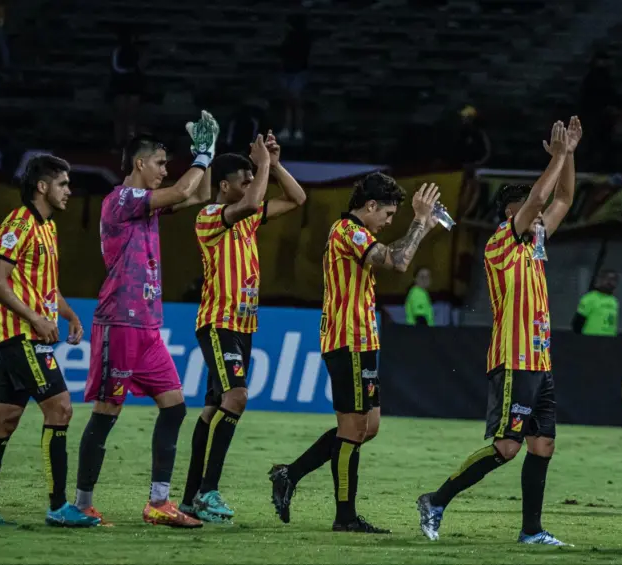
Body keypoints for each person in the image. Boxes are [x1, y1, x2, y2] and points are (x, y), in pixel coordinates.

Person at [416, 118, 582, 545]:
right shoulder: (500, 243)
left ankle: (531, 531)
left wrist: (571, 154)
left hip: (540, 362)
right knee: (508, 447)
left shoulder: (535, 243)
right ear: (514, 213)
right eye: (533, 211)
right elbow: (545, 195)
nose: (542, 215)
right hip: (514, 359)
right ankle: (435, 500)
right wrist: (557, 156)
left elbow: (564, 196)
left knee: (542, 445)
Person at [269, 173, 444, 533]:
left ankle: (290, 473)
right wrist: (418, 220)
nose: (388, 222)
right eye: (388, 214)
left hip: (363, 342)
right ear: (370, 206)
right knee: (352, 428)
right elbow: (398, 261)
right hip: (345, 340)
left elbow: (398, 254)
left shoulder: (360, 235)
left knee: (369, 426)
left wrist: (424, 223)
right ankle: (345, 517)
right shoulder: (346, 231)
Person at [73, 112, 219, 528]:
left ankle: (159, 503)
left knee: (173, 408)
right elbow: (181, 190)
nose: (165, 171)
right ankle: (81, 505)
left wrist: (203, 157)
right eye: (160, 163)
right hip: (119, 321)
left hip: (148, 327)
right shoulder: (120, 199)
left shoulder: (148, 207)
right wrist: (202, 156)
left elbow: (196, 194)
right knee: (106, 412)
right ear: (140, 163)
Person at [179, 132, 306, 522]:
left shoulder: (247, 221)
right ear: (224, 186)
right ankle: (209, 491)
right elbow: (253, 202)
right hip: (219, 323)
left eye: (253, 178)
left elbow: (298, 199)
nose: (251, 185)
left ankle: (189, 498)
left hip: (243, 325)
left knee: (213, 408)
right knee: (237, 398)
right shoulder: (209, 217)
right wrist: (262, 163)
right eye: (244, 179)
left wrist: (275, 162)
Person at [0, 155, 99, 527]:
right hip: (20, 335)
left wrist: (70, 314)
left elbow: (44, 286)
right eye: (63, 184)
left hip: (30, 333)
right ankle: (59, 507)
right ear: (42, 187)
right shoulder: (19, 222)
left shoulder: (48, 228)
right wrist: (35, 318)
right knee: (60, 409)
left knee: (4, 420)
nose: (69, 191)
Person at [277, 14, 313, 143]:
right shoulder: (287, 37)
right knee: (288, 102)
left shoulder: (304, 38)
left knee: (296, 102)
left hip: (299, 72)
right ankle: (287, 129)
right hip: (287, 71)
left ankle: (298, 130)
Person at [110, 27, 143, 149]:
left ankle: (130, 143)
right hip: (121, 85)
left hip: (133, 85)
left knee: (131, 117)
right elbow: (116, 67)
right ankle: (119, 143)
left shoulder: (138, 51)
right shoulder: (117, 51)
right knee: (121, 117)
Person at [572, 269, 619, 336]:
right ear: (600, 280)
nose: (610, 282)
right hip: (592, 340)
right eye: (607, 279)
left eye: (613, 280)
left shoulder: (614, 301)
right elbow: (577, 323)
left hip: (609, 340)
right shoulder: (589, 298)